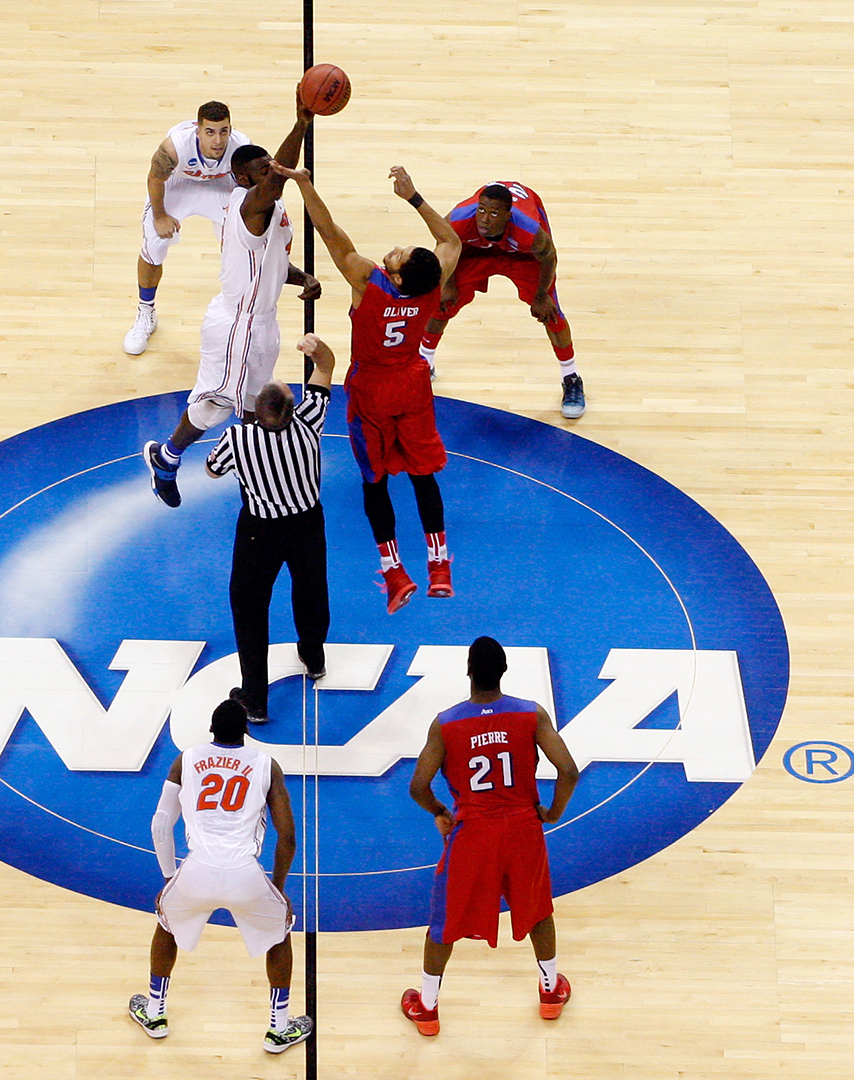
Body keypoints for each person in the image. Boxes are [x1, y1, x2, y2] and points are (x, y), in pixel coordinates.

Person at [271, 161, 460, 612]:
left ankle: (394, 573)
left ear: (394, 277)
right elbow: (449, 240)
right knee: (422, 475)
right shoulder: (432, 285)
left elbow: (328, 229)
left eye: (398, 255)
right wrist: (413, 198)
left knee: (374, 483)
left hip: (372, 389)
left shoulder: (366, 281)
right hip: (412, 384)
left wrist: (303, 184)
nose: (394, 250)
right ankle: (439, 567)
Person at [143, 97, 321, 507]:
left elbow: (271, 260)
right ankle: (179, 461)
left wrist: (301, 277)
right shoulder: (246, 204)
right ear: (241, 178)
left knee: (245, 402)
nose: (271, 173)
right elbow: (278, 179)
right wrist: (300, 125)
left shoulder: (269, 210)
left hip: (263, 322)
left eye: (269, 169)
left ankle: (180, 459)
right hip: (237, 325)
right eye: (263, 170)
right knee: (223, 404)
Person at [400, 636, 581, 1036]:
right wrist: (551, 813)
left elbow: (417, 786)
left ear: (468, 671)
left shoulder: (446, 723)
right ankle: (550, 992)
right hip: (522, 829)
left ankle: (427, 1008)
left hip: (474, 832)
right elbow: (568, 771)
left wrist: (441, 812)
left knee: (444, 921)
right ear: (503, 671)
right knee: (537, 909)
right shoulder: (531, 715)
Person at [130, 698, 313, 1054]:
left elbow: (161, 823)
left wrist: (170, 877)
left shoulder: (186, 759)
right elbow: (288, 836)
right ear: (247, 733)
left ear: (211, 729)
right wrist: (276, 888)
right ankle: (279, 1028)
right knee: (278, 932)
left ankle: (154, 1013)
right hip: (245, 873)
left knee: (166, 923)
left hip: (197, 871)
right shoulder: (265, 764)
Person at [204, 334, 336, 722]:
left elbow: (212, 470)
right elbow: (327, 367)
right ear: (294, 410)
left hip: (260, 530)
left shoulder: (239, 438)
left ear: (256, 413)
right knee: (311, 591)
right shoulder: (310, 422)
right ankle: (313, 657)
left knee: (249, 608)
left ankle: (255, 698)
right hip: (307, 524)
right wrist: (317, 350)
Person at [419, 181, 586, 419]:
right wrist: (450, 284)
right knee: (441, 303)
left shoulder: (530, 231)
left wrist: (541, 296)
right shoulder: (457, 219)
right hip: (474, 252)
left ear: (508, 216)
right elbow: (444, 245)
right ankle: (425, 363)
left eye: (494, 213)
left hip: (523, 257)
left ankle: (571, 377)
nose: (485, 219)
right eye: (482, 210)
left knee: (550, 314)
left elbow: (549, 256)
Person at [123, 102, 254, 355]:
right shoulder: (174, 147)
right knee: (155, 244)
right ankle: (146, 313)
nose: (218, 140)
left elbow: (254, 187)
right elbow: (155, 178)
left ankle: (236, 318)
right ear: (198, 129)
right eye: (210, 132)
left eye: (224, 131)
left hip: (219, 186)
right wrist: (160, 215)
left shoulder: (242, 148)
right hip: (178, 184)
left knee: (243, 241)